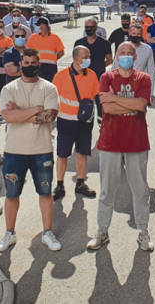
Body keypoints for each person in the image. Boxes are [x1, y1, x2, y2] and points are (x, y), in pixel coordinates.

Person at [87, 42, 154, 252]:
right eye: (122, 53)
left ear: (135, 58)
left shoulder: (143, 78)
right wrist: (128, 102)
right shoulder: (107, 77)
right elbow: (107, 108)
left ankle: (143, 232)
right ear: (117, 57)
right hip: (110, 142)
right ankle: (101, 232)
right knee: (107, 191)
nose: (125, 56)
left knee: (140, 190)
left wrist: (116, 99)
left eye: (129, 53)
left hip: (136, 142)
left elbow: (141, 105)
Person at [0, 49, 62, 253]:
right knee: (12, 194)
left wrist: (20, 112)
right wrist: (35, 110)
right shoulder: (9, 88)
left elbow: (50, 117)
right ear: (20, 63)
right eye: (26, 62)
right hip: (14, 150)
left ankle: (47, 232)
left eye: (33, 62)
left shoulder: (49, 88)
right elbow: (7, 117)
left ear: (39, 63)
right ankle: (9, 233)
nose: (30, 65)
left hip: (42, 149)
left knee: (45, 192)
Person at [51, 46, 99, 201]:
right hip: (65, 122)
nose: (88, 59)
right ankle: (59, 185)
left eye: (89, 56)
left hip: (84, 123)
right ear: (75, 58)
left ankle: (80, 183)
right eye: (85, 56)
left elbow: (95, 97)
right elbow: (52, 97)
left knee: (82, 153)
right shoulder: (60, 76)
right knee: (62, 155)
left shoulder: (92, 75)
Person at [26, 17, 65, 81]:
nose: (39, 27)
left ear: (46, 26)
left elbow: (61, 52)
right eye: (38, 25)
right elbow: (28, 52)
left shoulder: (55, 37)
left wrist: (53, 58)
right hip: (36, 66)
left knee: (50, 86)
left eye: (40, 25)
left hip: (51, 67)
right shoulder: (33, 37)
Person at [128, 24, 155, 95]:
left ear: (141, 35)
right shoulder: (122, 47)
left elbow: (151, 70)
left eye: (138, 34)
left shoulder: (147, 49)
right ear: (129, 33)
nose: (136, 35)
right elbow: (115, 68)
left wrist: (151, 93)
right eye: (134, 33)